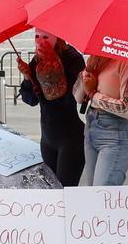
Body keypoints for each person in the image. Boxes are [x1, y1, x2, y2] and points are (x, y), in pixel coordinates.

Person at [17, 30, 85, 187]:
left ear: (57, 36)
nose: (40, 41)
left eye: (46, 37)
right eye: (37, 37)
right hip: (48, 138)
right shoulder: (37, 61)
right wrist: (28, 78)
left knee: (65, 190)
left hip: (71, 139)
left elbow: (73, 98)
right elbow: (30, 100)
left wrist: (51, 73)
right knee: (50, 190)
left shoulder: (73, 58)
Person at [74, 53, 128, 188]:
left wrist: (93, 94)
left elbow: (127, 109)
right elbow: (78, 97)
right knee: (94, 194)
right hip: (92, 126)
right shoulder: (96, 58)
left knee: (103, 194)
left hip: (115, 134)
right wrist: (86, 73)